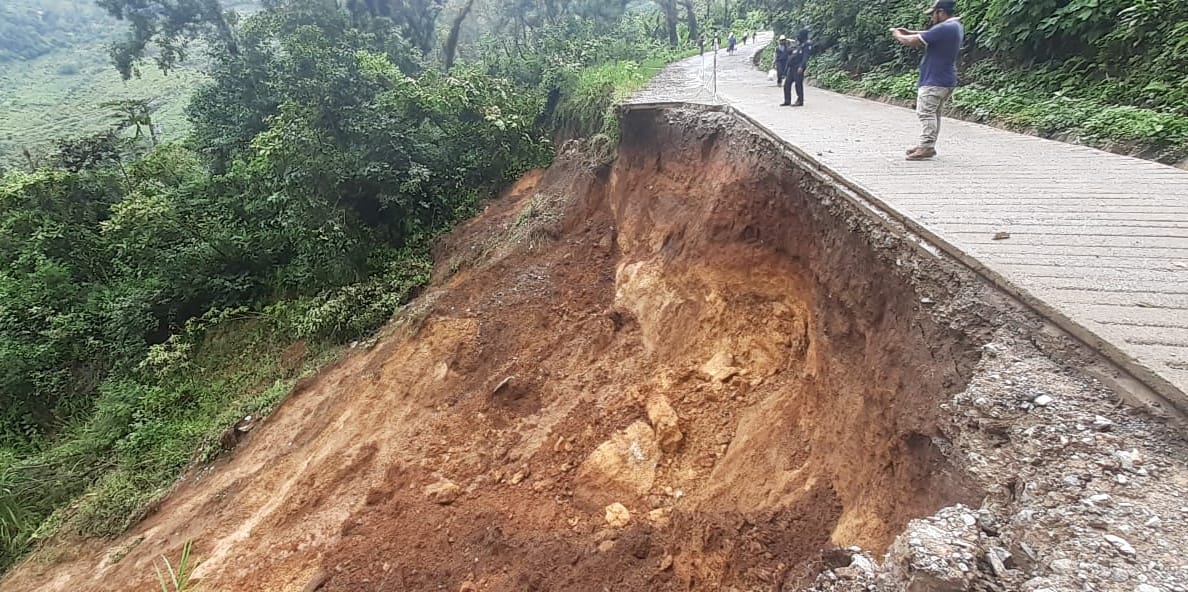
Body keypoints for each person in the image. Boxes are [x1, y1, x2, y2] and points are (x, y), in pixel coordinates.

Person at [892, 0, 964, 160]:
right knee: (934, 114)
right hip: (944, 79)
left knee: (925, 113)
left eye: (933, 13)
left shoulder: (945, 27)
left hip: (935, 80)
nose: (932, 17)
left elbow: (912, 42)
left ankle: (926, 146)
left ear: (940, 12)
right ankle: (927, 144)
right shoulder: (954, 26)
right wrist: (909, 31)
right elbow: (929, 33)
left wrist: (898, 35)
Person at [781, 29, 812, 107]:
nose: (798, 36)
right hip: (792, 67)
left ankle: (800, 100)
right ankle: (787, 100)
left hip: (798, 67)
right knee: (787, 84)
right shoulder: (800, 44)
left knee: (798, 84)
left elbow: (805, 57)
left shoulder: (807, 45)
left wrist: (801, 67)